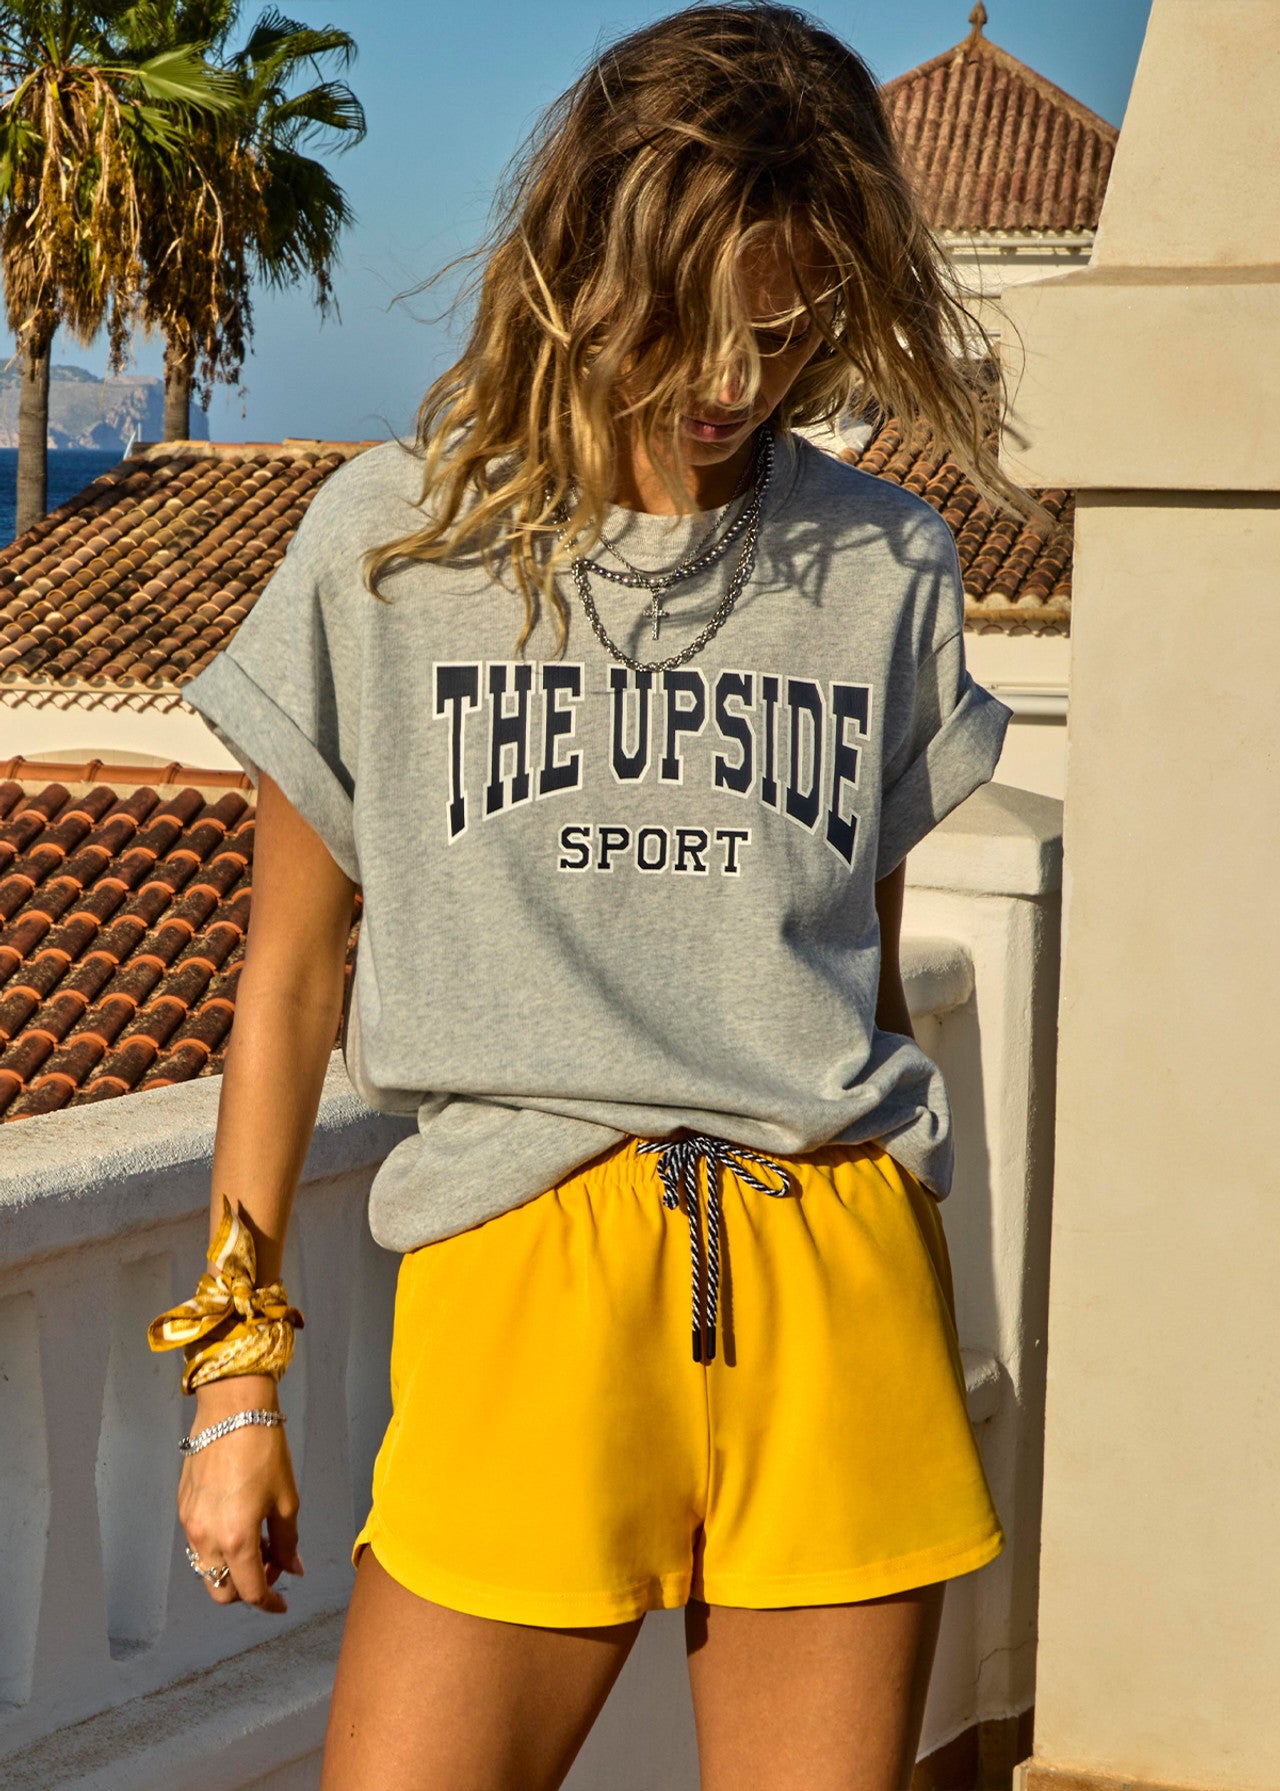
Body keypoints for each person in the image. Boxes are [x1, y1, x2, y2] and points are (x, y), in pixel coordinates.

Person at [152, 4, 1039, 1785]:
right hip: (525, 1286)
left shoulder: (884, 564)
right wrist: (236, 1379)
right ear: (584, 259)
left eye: (786, 333)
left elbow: (853, 976)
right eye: (697, 323)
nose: (737, 381)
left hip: (836, 1291)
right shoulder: (394, 552)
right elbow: (293, 977)